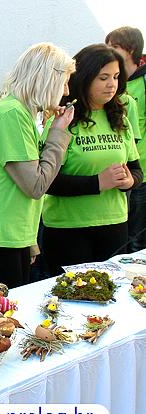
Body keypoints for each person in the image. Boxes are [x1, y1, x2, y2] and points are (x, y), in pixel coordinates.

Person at [0, 43, 75, 289]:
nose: (66, 91)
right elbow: (35, 185)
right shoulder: (12, 115)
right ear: (47, 79)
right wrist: (57, 134)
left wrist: (29, 240)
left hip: (4, 234)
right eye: (64, 82)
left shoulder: (17, 111)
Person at [42, 44, 142, 274]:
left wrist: (129, 181)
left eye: (116, 77)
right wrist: (97, 182)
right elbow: (47, 182)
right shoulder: (63, 121)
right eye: (103, 78)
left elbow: (137, 170)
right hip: (68, 229)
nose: (112, 84)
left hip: (114, 224)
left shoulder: (120, 120)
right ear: (84, 78)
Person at [105, 27, 146, 252]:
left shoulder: (142, 82)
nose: (108, 50)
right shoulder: (114, 86)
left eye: (114, 46)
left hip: (140, 171)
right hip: (116, 173)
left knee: (135, 240)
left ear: (130, 50)